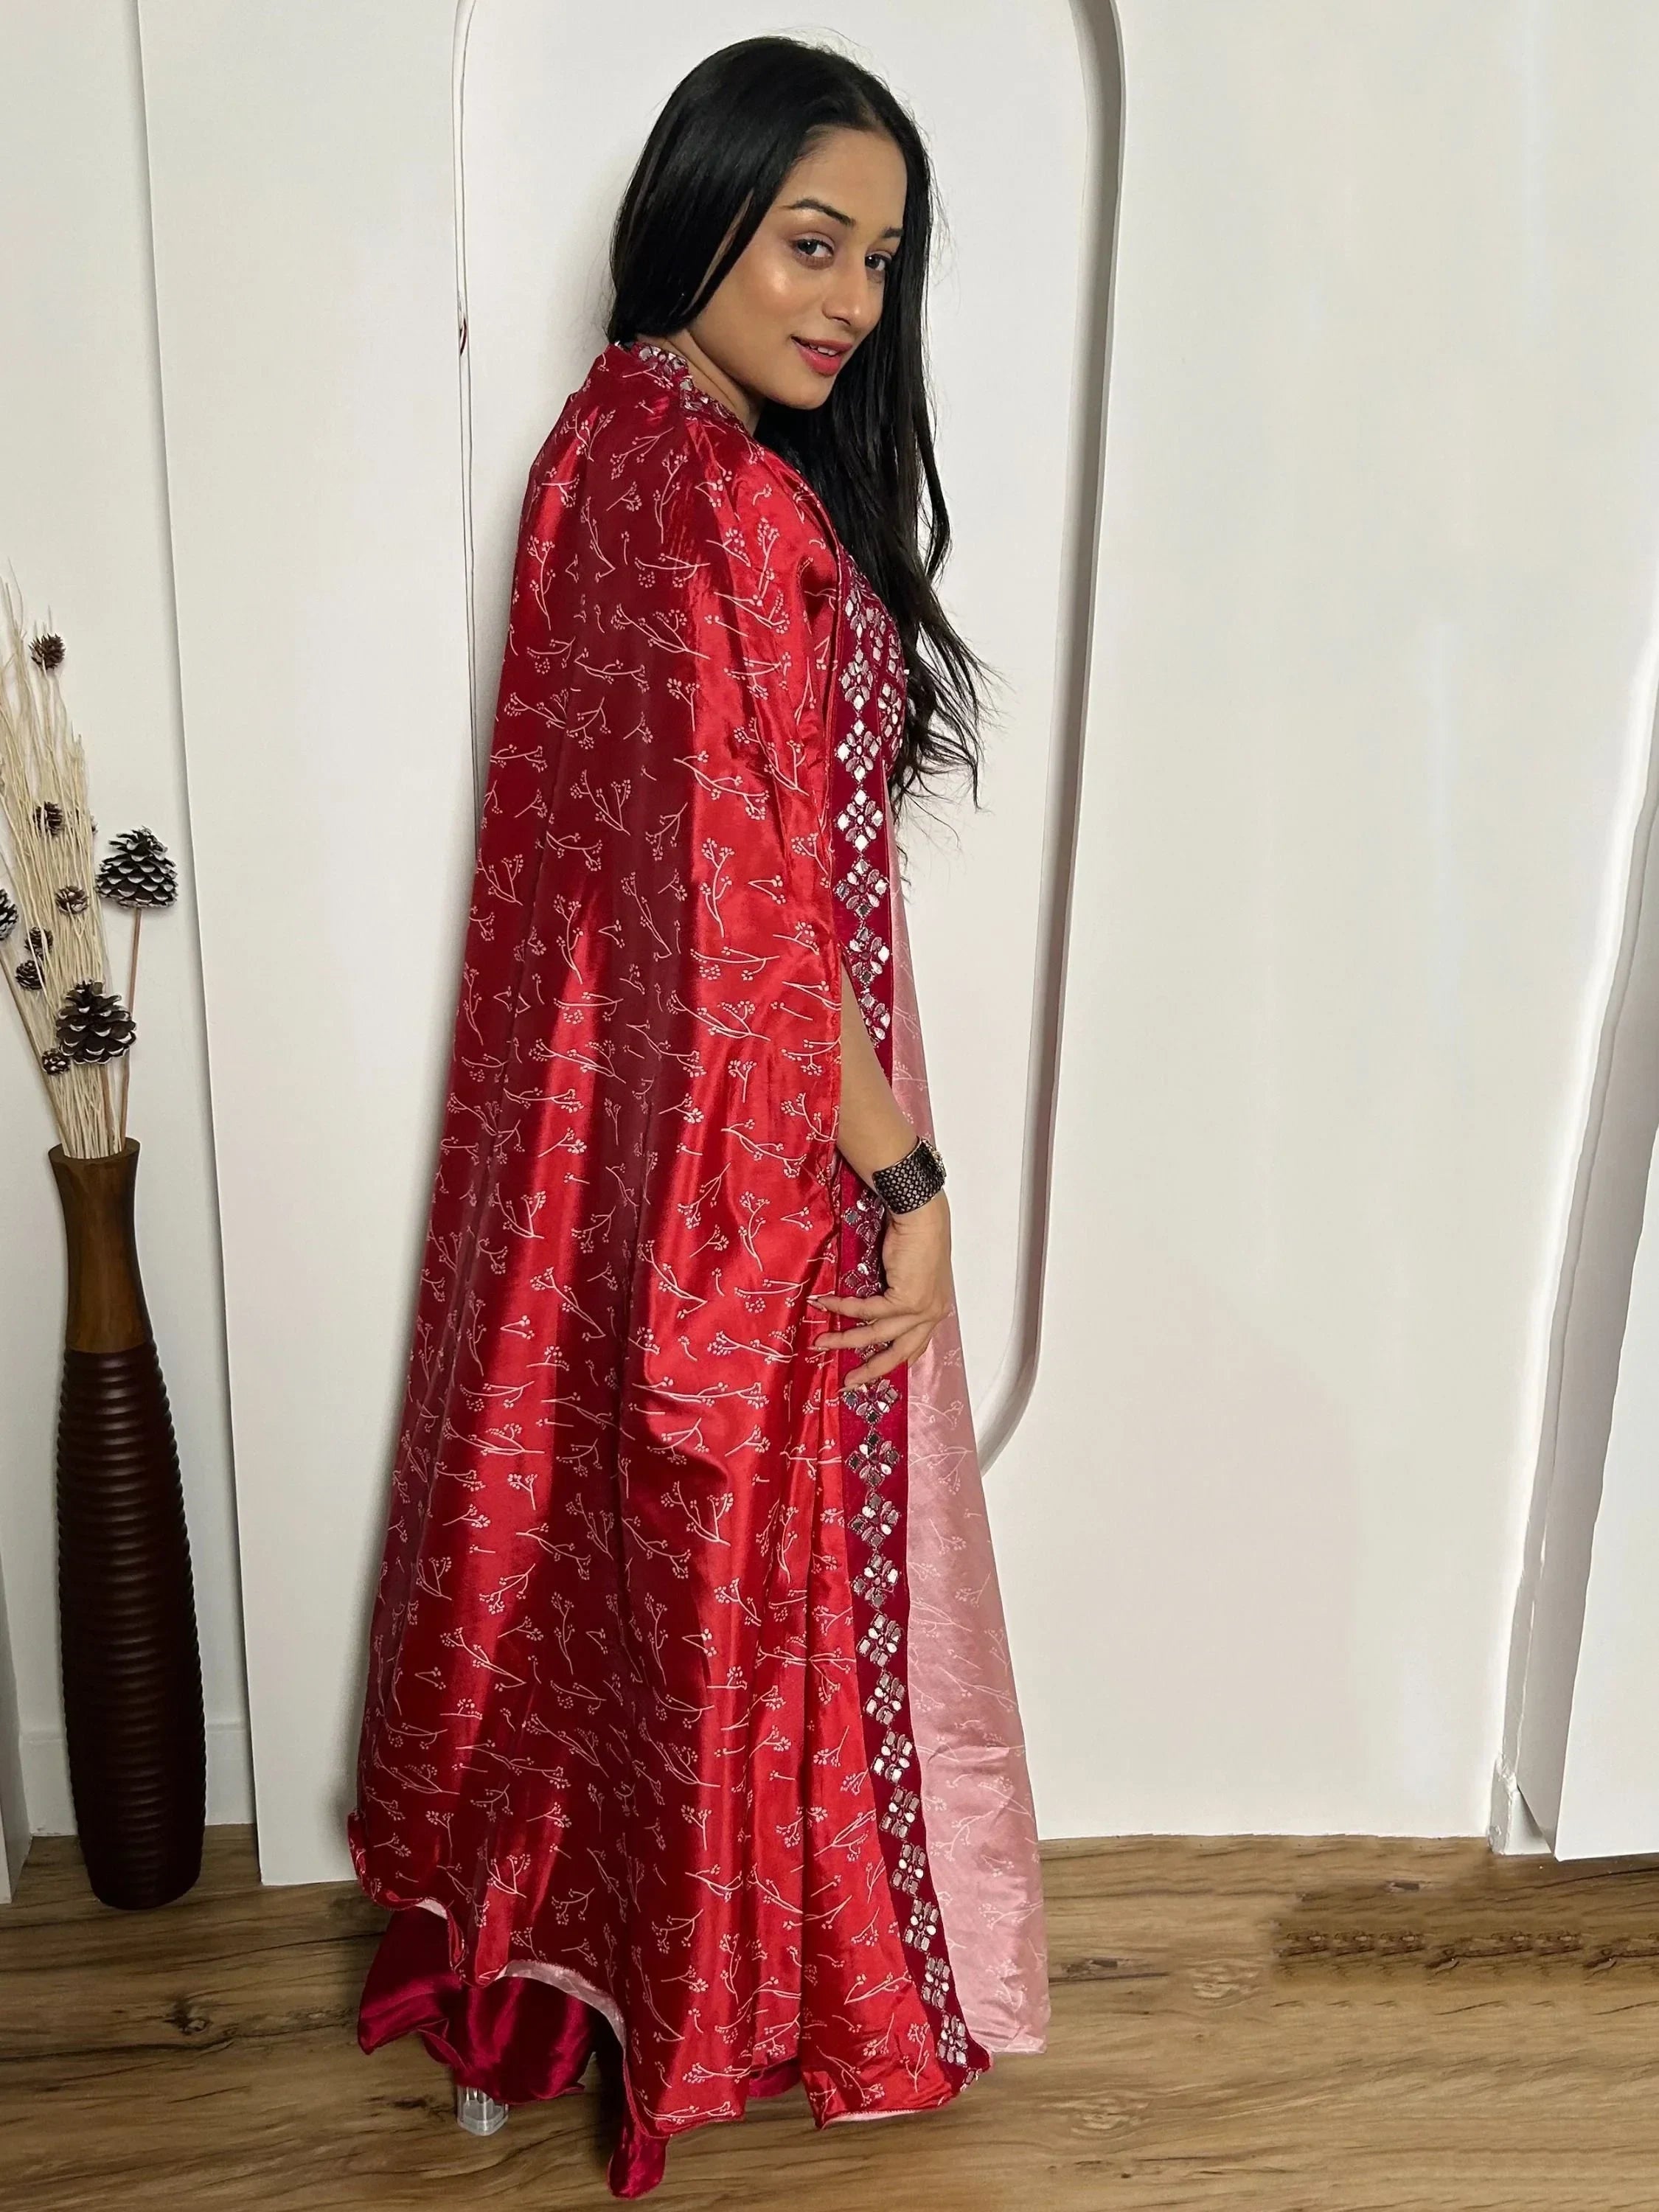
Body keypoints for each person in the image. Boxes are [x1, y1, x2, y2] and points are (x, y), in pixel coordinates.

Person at [347, 33, 1048, 2198]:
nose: (845, 300)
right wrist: (909, 1180)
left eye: (880, 262)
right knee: (726, 1593)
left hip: (588, 1156)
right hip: (736, 1161)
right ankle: (751, 2001)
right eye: (807, 241)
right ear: (703, 213)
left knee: (592, 1562)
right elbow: (748, 921)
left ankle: (528, 1994)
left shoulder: (601, 445)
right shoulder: (719, 496)